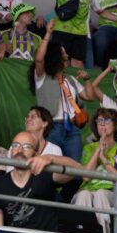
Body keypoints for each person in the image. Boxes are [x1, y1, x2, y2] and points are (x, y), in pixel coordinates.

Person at [0, 131, 82, 231]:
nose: (20, 150)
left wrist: (51, 158)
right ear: (11, 152)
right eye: (15, 145)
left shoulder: (45, 176)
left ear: (36, 154)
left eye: (27, 146)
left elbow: (77, 169)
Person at [30, 18, 96, 162]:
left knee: (73, 169)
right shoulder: (42, 77)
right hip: (52, 128)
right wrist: (48, 33)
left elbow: (90, 97)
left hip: (73, 130)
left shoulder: (71, 79)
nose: (67, 55)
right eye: (63, 53)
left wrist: (87, 79)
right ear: (55, 56)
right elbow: (39, 59)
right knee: (48, 167)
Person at [73, 108, 117, 233]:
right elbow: (86, 177)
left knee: (100, 194)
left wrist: (104, 159)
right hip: (88, 191)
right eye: (99, 121)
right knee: (83, 194)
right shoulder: (88, 148)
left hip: (115, 196)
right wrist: (98, 149)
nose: (102, 124)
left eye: (107, 120)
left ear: (115, 126)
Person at [5, 106, 62, 172]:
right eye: (27, 117)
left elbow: (56, 175)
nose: (28, 119)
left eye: (33, 117)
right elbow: (10, 172)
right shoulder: (15, 146)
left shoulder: (54, 150)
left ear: (44, 123)